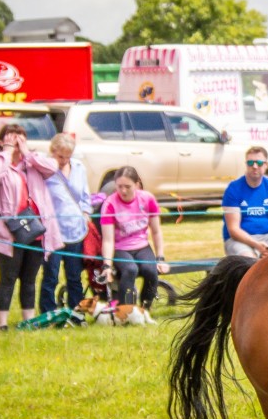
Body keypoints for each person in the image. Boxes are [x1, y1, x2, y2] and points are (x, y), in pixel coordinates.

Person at [0, 123, 62, 330]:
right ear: (1, 141)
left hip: (35, 230)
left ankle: (29, 321)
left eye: (19, 138)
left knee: (29, 279)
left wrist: (27, 152)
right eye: (10, 138)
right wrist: (7, 152)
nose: (16, 142)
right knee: (8, 278)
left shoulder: (33, 162)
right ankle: (2, 324)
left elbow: (52, 168)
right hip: (9, 232)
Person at [100, 167, 169, 315]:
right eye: (119, 186)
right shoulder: (110, 204)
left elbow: (156, 232)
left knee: (150, 271)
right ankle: (126, 311)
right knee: (130, 270)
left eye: (127, 186)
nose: (123, 191)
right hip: (120, 248)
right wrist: (107, 265)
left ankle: (145, 308)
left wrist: (160, 258)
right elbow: (108, 240)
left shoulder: (148, 199)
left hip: (142, 246)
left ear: (137, 184)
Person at [38, 134, 92, 311]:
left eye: (68, 157)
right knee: (51, 275)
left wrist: (86, 213)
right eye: (60, 156)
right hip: (53, 231)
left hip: (76, 230)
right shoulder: (45, 170)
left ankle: (76, 312)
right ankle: (48, 313)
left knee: (74, 275)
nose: (64, 161)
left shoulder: (79, 167)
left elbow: (85, 196)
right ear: (52, 151)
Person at [222, 145, 268, 258]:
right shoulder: (233, 188)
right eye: (250, 163)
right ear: (246, 164)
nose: (254, 166)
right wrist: (256, 245)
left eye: (259, 163)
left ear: (266, 165)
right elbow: (233, 230)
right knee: (250, 261)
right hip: (238, 240)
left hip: (267, 238)